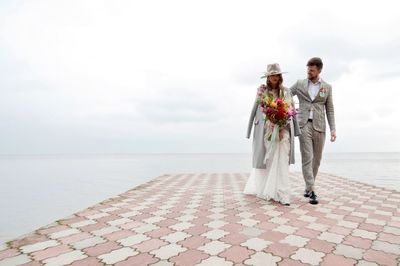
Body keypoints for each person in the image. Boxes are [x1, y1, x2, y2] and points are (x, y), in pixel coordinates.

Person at [244, 63, 300, 206]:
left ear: (280, 76)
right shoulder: (262, 92)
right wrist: (250, 129)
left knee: (282, 159)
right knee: (269, 159)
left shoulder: (287, 92)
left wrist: (287, 128)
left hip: (284, 130)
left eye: (276, 75)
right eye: (271, 75)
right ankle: (270, 189)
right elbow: (255, 109)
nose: (274, 77)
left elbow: (290, 111)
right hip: (267, 130)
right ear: (268, 77)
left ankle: (283, 193)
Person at [290, 57, 336, 205]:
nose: (309, 72)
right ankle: (312, 190)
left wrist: (333, 129)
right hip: (303, 125)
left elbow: (330, 109)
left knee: (316, 160)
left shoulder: (327, 87)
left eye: (312, 70)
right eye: (308, 69)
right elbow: (286, 95)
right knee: (307, 158)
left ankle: (308, 186)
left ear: (319, 70)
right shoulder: (299, 84)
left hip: (320, 126)